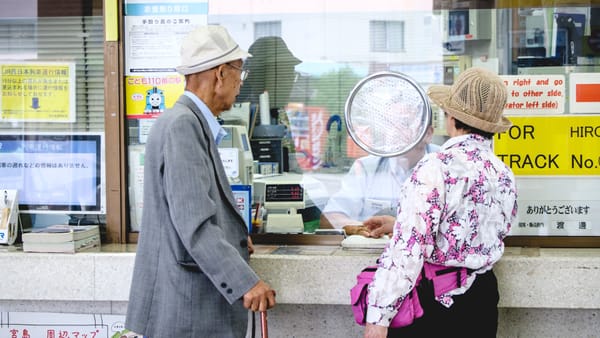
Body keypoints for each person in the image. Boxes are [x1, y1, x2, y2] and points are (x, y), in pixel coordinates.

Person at [125, 25, 276, 338]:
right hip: (188, 312)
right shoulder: (183, 126)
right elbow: (196, 226)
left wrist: (234, 237)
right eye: (240, 73)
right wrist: (246, 282)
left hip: (187, 308)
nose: (240, 83)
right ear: (221, 74)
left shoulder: (186, 123)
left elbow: (187, 210)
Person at [362, 67, 518, 338]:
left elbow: (408, 252)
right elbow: (484, 230)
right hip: (482, 300)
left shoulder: (436, 167)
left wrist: (379, 315)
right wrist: (398, 222)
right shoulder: (503, 173)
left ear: (452, 117)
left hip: (436, 304)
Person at [319, 125, 439, 233]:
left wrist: (398, 227)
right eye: (390, 123)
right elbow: (329, 218)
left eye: (406, 123)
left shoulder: (447, 165)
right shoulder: (366, 167)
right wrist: (364, 228)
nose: (396, 131)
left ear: (428, 133)